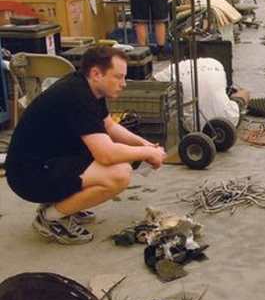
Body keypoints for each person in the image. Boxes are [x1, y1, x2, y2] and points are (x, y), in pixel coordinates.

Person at [4, 46, 166, 245]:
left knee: (120, 159)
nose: (123, 84)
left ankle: (67, 205)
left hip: (49, 160)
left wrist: (147, 145)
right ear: (96, 74)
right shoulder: (77, 96)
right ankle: (50, 217)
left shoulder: (87, 88)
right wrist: (147, 153)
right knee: (119, 174)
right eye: (118, 77)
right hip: (28, 176)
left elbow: (109, 125)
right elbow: (106, 155)